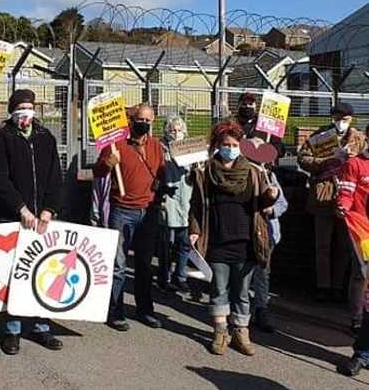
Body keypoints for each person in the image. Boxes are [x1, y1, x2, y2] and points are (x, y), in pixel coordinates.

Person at [189, 121, 279, 356]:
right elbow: (197, 205)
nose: (230, 148)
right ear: (217, 145)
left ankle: (241, 331)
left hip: (246, 240)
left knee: (242, 290)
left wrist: (272, 197)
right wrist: (194, 230)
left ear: (241, 145)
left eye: (234, 144)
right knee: (219, 288)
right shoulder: (206, 172)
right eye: (225, 144)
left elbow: (263, 205)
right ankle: (220, 332)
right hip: (218, 240)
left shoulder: (254, 171)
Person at [0, 89, 64, 355]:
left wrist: (49, 210)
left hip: (43, 221)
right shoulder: (2, 138)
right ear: (12, 110)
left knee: (44, 271)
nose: (26, 111)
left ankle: (42, 326)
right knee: (15, 275)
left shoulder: (46, 138)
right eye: (20, 107)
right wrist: (20, 208)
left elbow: (56, 177)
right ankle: (13, 329)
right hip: (14, 218)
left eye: (29, 106)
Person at [94, 103, 165, 330]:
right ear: (131, 120)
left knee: (144, 264)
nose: (144, 124)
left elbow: (161, 172)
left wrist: (161, 183)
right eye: (140, 119)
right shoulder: (116, 145)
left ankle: (145, 310)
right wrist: (108, 163)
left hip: (148, 211)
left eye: (148, 120)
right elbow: (98, 172)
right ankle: (115, 310)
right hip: (122, 210)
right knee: (118, 264)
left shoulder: (156, 146)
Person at [297, 102, 364, 304]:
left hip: (350, 198)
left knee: (344, 246)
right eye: (338, 118)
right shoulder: (320, 137)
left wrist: (353, 159)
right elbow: (303, 159)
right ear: (332, 118)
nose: (341, 123)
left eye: (345, 119)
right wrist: (327, 161)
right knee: (323, 245)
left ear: (351, 119)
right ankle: (323, 286)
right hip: (324, 194)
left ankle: (338, 285)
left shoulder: (359, 139)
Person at [246, 141, 289, 334]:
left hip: (267, 233)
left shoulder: (270, 175)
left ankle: (261, 309)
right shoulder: (243, 173)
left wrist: (272, 209)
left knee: (263, 273)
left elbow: (283, 203)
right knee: (245, 273)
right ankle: (242, 309)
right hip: (246, 231)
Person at [336, 122, 369, 336]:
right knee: (362, 274)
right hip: (361, 227)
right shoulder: (355, 163)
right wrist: (343, 205)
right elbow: (346, 192)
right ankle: (358, 318)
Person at [157, 115, 193, 294]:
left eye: (179, 130)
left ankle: (181, 277)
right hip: (168, 200)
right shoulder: (160, 148)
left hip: (186, 199)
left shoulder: (191, 148)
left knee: (184, 243)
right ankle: (164, 277)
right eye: (173, 130)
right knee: (166, 244)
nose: (176, 133)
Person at [235, 92, 284, 157]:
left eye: (250, 104)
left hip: (261, 164)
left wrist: (266, 149)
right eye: (244, 104)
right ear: (238, 105)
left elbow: (280, 150)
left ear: (255, 106)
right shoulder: (230, 124)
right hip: (236, 164)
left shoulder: (266, 124)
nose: (247, 106)